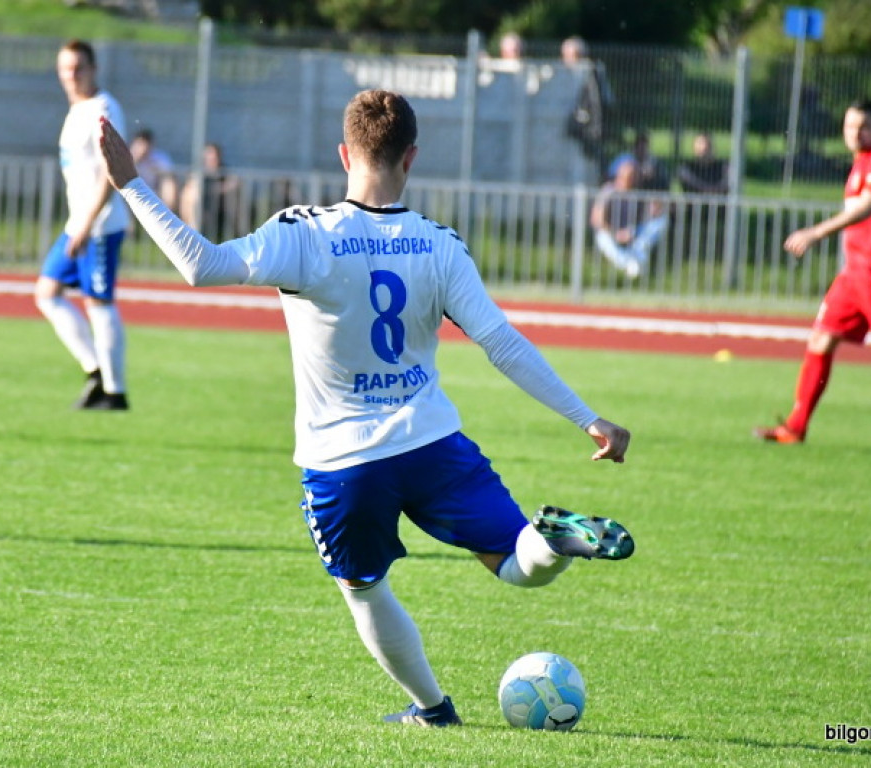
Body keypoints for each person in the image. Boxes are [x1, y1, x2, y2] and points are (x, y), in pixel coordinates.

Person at [98, 89, 634, 726]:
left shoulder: (304, 233)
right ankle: (553, 539)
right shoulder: (438, 243)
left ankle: (431, 708)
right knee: (517, 563)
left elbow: (200, 264)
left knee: (364, 588)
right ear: (411, 157)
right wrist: (588, 418)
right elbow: (500, 342)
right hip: (434, 445)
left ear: (344, 153)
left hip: (345, 462)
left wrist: (131, 184)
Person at [755, 99, 871, 446]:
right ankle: (795, 426)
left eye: (863, 126)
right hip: (853, 274)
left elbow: (867, 206)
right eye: (849, 126)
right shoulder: (860, 163)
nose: (855, 133)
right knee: (820, 339)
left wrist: (816, 233)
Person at [34, 39, 129, 411]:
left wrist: (87, 225)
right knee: (46, 292)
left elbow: (112, 173)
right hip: (79, 224)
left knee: (100, 303)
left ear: (93, 69)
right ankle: (95, 372)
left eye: (78, 68)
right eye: (64, 69)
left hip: (100, 225)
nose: (71, 76)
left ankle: (115, 392)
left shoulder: (103, 109)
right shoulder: (76, 111)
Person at [591, 158, 668, 279]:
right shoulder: (608, 191)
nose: (633, 180)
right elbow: (597, 219)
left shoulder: (640, 190)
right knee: (603, 238)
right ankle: (629, 264)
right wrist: (616, 233)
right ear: (620, 175)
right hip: (610, 231)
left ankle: (636, 259)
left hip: (633, 231)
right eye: (630, 176)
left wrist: (655, 210)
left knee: (660, 222)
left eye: (635, 176)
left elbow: (656, 212)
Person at [562, 36, 613, 185]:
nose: (569, 61)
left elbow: (597, 103)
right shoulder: (560, 76)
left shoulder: (591, 73)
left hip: (584, 134)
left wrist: (595, 129)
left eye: (575, 56)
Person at [180, 142, 241, 241]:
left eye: (215, 156)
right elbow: (194, 186)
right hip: (203, 206)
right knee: (190, 195)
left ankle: (236, 234)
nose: (212, 159)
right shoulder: (199, 171)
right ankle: (191, 233)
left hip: (221, 207)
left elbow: (234, 182)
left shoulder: (224, 170)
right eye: (209, 156)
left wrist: (217, 189)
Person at [130, 128, 179, 212]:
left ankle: (166, 214)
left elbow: (170, 177)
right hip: (131, 193)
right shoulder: (127, 157)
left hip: (153, 194)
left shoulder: (159, 157)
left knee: (169, 183)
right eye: (140, 144)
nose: (143, 148)